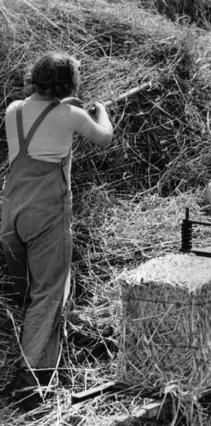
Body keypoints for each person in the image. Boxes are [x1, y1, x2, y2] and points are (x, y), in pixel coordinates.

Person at [1, 52, 113, 409]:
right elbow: (104, 139)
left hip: (11, 210)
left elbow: (41, 126)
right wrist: (101, 112)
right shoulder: (71, 115)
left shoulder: (14, 109)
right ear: (69, 82)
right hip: (46, 213)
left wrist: (68, 109)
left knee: (20, 293)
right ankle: (28, 380)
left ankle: (33, 360)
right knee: (48, 293)